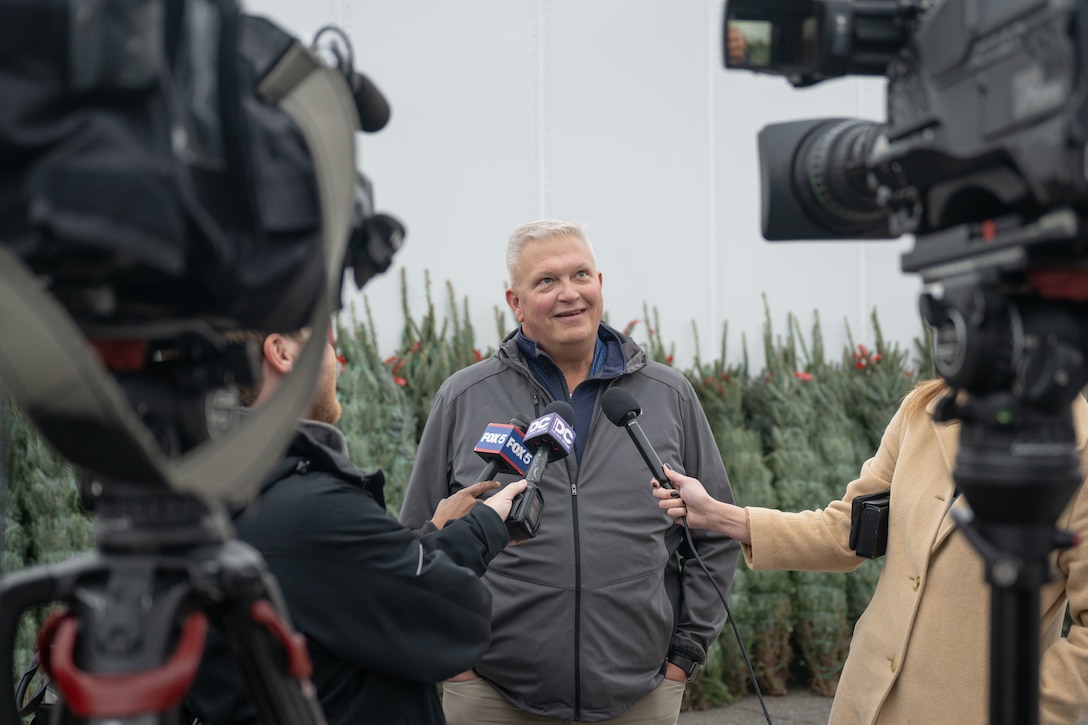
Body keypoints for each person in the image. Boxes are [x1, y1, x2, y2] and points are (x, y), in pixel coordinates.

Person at [398, 219, 740, 724]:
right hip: (491, 693)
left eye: (581, 275)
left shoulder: (668, 395)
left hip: (641, 695)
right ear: (515, 302)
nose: (569, 294)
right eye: (546, 281)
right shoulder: (464, 396)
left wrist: (683, 659)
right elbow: (417, 538)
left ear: (600, 284)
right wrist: (457, 667)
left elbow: (715, 533)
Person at [652, 377, 1088, 725]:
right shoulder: (925, 411)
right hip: (867, 702)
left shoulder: (1078, 453)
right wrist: (718, 515)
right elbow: (846, 531)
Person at [185, 325, 528, 725]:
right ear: (282, 353)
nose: (336, 357)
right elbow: (451, 620)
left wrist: (432, 537)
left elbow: (349, 590)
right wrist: (485, 527)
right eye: (324, 338)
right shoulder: (315, 507)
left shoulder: (208, 492)